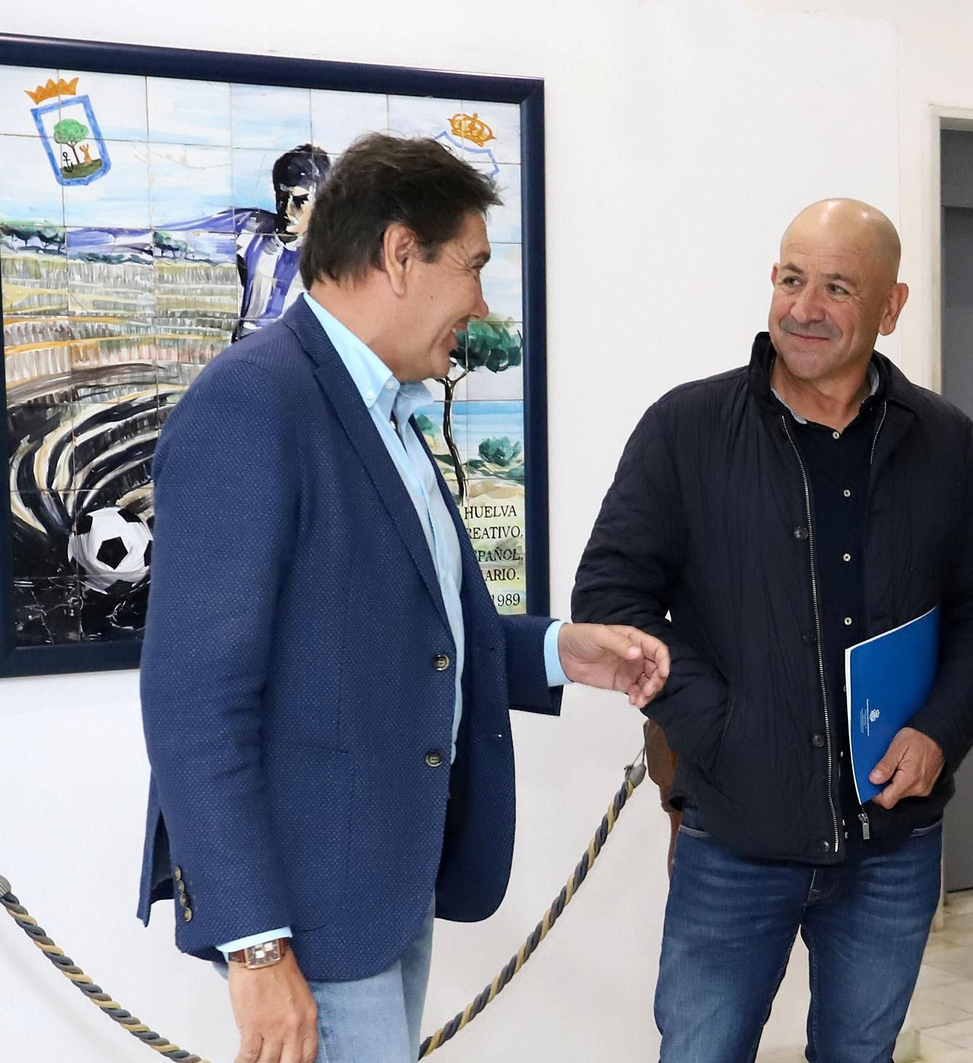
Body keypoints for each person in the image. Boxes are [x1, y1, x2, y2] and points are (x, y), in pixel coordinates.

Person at [136, 133, 670, 1063]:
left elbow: (395, 635)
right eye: (471, 268)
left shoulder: (386, 409)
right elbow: (194, 698)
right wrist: (256, 945)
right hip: (307, 912)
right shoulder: (252, 402)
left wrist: (557, 651)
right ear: (398, 254)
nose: (480, 302)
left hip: (384, 889)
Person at [573, 198, 973, 1062]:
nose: (804, 307)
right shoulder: (687, 430)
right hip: (735, 834)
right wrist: (720, 732)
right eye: (790, 279)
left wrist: (938, 730)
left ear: (891, 306)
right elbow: (613, 598)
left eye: (837, 287)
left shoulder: (944, 439)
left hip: (893, 842)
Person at [233, 143, 332, 341]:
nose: (286, 209)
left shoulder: (329, 257)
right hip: (246, 349)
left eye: (299, 200)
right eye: (281, 196)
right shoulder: (251, 231)